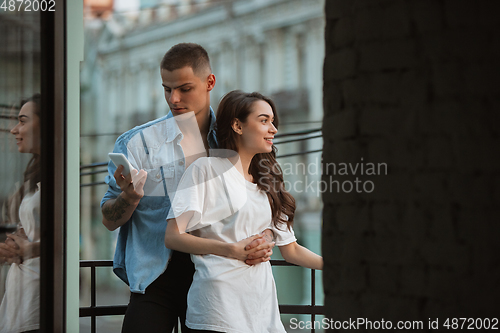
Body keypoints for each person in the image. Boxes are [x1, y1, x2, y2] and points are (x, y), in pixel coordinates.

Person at [100, 43, 275, 333]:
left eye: (184, 88)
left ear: (210, 83)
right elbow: (108, 220)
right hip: (155, 281)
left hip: (218, 282)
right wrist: (129, 198)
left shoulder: (236, 140)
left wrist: (265, 238)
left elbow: (259, 203)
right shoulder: (137, 144)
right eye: (167, 89)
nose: (174, 98)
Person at [165, 90, 323, 333]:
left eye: (273, 121)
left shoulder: (269, 183)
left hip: (261, 310)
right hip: (216, 309)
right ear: (238, 126)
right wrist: (230, 249)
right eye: (263, 120)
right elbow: (173, 236)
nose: (273, 129)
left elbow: (290, 250)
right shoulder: (205, 169)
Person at [0, 94, 42, 333]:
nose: (15, 130)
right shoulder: (34, 175)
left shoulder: (61, 176)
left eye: (23, 121)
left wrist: (31, 248)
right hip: (21, 291)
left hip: (38, 292)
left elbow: (62, 237)